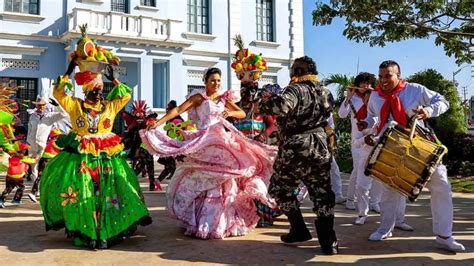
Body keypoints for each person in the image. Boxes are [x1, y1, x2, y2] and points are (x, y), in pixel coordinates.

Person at [141, 67, 277, 239]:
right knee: (205, 176)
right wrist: (158, 122)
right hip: (204, 140)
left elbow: (241, 113)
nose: (216, 84)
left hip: (221, 140)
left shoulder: (223, 98)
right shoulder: (199, 98)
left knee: (226, 179)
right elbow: (178, 110)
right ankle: (200, 220)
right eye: (213, 80)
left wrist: (230, 112)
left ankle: (221, 221)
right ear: (205, 81)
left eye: (219, 81)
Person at [39, 59, 151, 249]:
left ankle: (106, 228)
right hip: (80, 157)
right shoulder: (75, 105)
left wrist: (114, 80)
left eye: (101, 89)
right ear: (86, 91)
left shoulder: (109, 107)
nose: (99, 93)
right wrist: (69, 69)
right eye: (95, 89)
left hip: (107, 157)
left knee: (109, 191)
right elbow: (58, 92)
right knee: (81, 190)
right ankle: (86, 228)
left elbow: (125, 96)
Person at [360, 60, 464, 251]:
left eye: (388, 75)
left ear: (398, 75)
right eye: (381, 76)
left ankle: (444, 235)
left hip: (420, 144)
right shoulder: (375, 96)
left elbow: (443, 101)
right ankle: (385, 228)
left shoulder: (415, 90)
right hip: (391, 147)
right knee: (389, 189)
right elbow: (374, 117)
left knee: (441, 185)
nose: (383, 80)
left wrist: (428, 111)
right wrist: (367, 125)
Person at [259, 56, 338, 255]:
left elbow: (280, 107)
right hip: (320, 145)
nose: (291, 74)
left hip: (296, 147)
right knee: (322, 194)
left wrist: (265, 101)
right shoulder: (326, 91)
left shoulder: (295, 89)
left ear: (300, 71)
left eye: (294, 70)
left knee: (279, 188)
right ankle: (329, 243)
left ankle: (299, 228)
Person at [232, 82, 281, 227]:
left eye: (254, 90)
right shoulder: (234, 107)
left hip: (258, 151)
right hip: (239, 152)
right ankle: (243, 214)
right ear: (241, 91)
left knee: (259, 182)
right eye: (247, 90)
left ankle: (263, 215)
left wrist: (263, 135)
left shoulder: (260, 107)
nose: (251, 93)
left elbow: (273, 125)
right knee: (240, 183)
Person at [337, 73, 382, 212]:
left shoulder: (376, 97)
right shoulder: (353, 99)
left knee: (375, 172)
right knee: (357, 170)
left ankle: (374, 202)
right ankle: (350, 199)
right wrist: (348, 98)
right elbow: (341, 114)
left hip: (373, 139)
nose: (364, 86)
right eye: (362, 83)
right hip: (357, 141)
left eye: (368, 83)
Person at [26, 96, 67, 187]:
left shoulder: (50, 116)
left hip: (42, 144)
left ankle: (40, 186)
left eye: (43, 105)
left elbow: (64, 114)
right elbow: (30, 129)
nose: (41, 107)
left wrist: (57, 105)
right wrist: (27, 142)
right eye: (39, 105)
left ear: (45, 106)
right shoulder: (32, 116)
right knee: (33, 165)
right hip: (31, 144)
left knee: (42, 166)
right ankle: (35, 187)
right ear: (36, 106)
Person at [122, 100, 159, 191]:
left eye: (141, 113)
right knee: (144, 166)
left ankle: (130, 181)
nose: (139, 115)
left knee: (144, 166)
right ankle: (128, 181)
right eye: (138, 113)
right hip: (142, 148)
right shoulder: (139, 124)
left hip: (145, 147)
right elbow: (132, 132)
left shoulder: (144, 122)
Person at [28, 128, 63, 203]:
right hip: (48, 161)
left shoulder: (50, 141)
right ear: (56, 136)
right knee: (49, 177)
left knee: (41, 176)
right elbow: (61, 148)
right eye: (59, 136)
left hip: (45, 160)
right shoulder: (54, 142)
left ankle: (35, 192)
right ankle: (34, 192)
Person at [0, 141, 35, 208]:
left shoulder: (12, 157)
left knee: (8, 189)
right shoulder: (23, 159)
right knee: (21, 188)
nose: (26, 151)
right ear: (22, 151)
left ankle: (1, 200)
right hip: (18, 177)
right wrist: (36, 157)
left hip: (9, 176)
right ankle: (16, 199)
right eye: (25, 150)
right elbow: (32, 161)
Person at [156, 100, 184, 184]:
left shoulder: (177, 119)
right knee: (170, 165)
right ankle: (157, 181)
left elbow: (181, 129)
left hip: (175, 144)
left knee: (172, 165)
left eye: (169, 106)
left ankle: (158, 181)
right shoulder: (170, 118)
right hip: (170, 144)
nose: (167, 108)